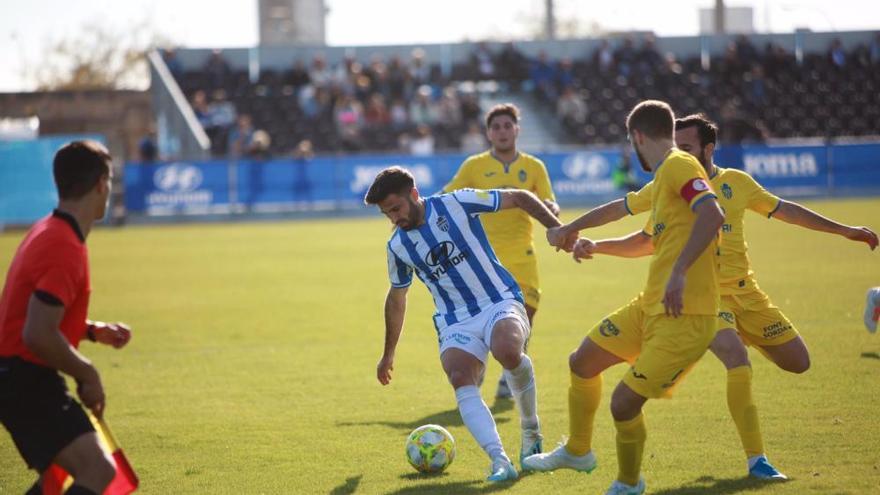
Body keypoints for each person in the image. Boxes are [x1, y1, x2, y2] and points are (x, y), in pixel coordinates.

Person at [529, 113, 879, 484]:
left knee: (798, 362)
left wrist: (845, 231)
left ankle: (618, 470)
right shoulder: (670, 179)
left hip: (746, 293)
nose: (679, 152)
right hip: (706, 299)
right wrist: (590, 240)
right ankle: (757, 459)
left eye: (688, 146)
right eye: (676, 144)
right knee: (734, 356)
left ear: (708, 149)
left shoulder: (732, 183)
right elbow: (640, 231)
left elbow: (785, 210)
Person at [526, 101, 725, 495]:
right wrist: (576, 232)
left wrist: (680, 272)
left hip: (686, 316)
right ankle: (578, 451)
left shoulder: (680, 167)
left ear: (636, 137)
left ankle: (629, 484)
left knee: (623, 404)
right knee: (582, 362)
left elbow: (713, 215)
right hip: (649, 307)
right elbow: (624, 213)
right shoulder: (666, 175)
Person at [365, 166, 563, 482]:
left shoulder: (457, 202)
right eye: (387, 214)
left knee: (508, 350)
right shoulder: (398, 247)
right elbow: (397, 298)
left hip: (498, 298)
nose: (394, 219)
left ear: (414, 195)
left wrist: (556, 228)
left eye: (396, 209)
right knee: (460, 375)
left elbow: (520, 197)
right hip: (455, 318)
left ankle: (530, 432)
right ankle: (499, 460)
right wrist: (388, 354)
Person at [0, 141, 133, 495]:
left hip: (17, 374)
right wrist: (87, 373)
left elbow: (39, 317)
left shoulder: (51, 230)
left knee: (57, 476)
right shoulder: (63, 246)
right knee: (97, 470)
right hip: (24, 378)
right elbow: (37, 334)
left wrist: (91, 331)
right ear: (102, 184)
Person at [442, 104, 559, 399]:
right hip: (483, 258)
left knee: (526, 313)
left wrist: (552, 209)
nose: (502, 131)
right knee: (481, 317)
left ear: (517, 129)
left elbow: (548, 200)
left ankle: (510, 374)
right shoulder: (474, 166)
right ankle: (476, 368)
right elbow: (447, 196)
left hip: (522, 254)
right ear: (488, 133)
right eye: (496, 127)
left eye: (508, 126)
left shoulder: (534, 167)